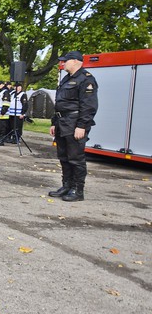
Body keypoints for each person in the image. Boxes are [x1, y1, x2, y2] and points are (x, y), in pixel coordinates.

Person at [49, 51, 98, 201]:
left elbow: (89, 106)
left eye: (66, 61)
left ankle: (78, 190)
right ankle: (67, 185)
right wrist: (53, 122)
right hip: (61, 123)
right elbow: (60, 103)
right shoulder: (66, 79)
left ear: (76, 61)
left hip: (74, 123)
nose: (63, 64)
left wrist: (82, 125)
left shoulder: (86, 79)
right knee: (63, 157)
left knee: (75, 158)